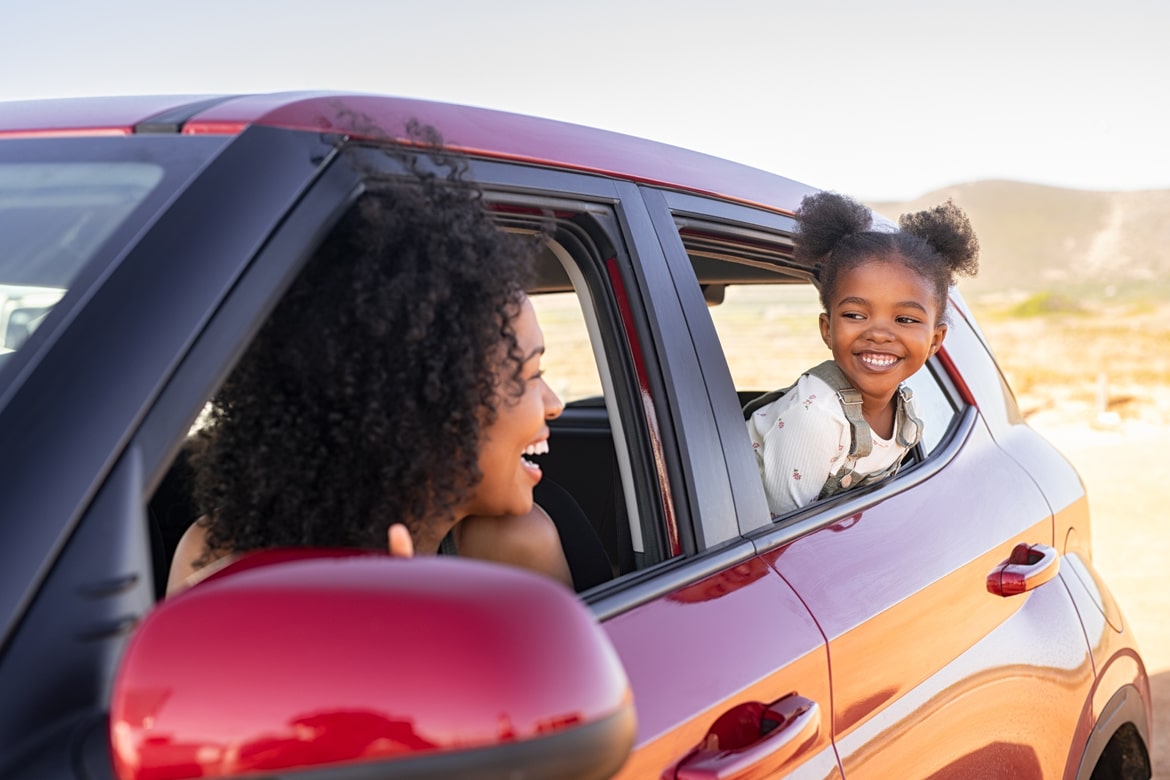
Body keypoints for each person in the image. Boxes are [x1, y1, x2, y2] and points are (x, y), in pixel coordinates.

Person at [166, 148, 572, 595]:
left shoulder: (513, 549)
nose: (555, 404)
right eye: (531, 374)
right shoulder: (216, 556)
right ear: (426, 404)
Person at [746, 191, 979, 517]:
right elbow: (782, 540)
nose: (880, 334)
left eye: (905, 320)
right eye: (856, 315)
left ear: (935, 340)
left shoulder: (908, 411)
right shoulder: (816, 418)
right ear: (827, 329)